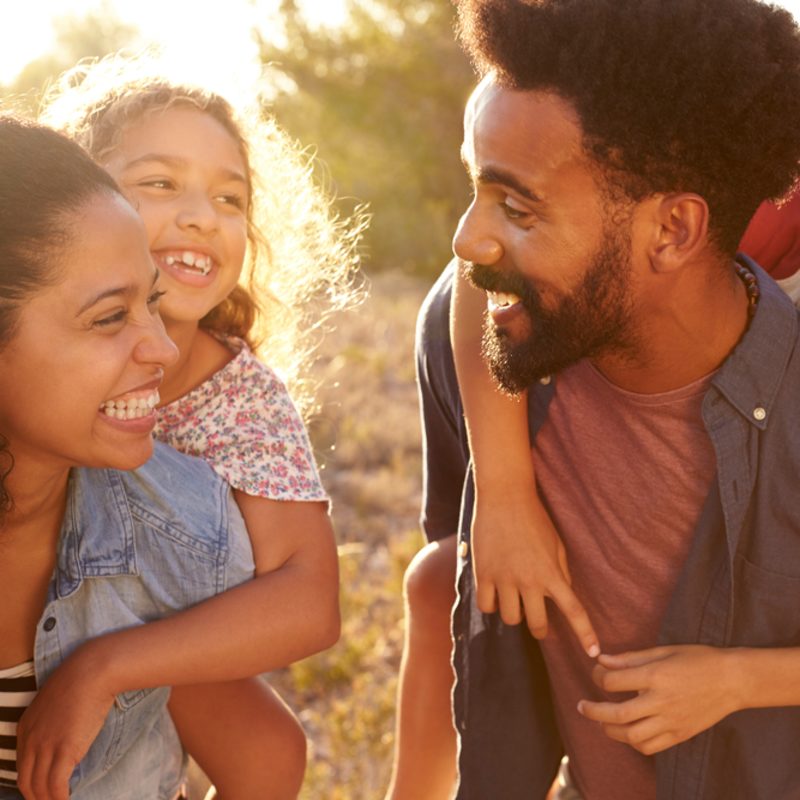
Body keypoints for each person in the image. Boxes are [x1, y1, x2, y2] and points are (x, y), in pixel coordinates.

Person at [409, 0, 800, 798]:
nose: (468, 239)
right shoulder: (523, 347)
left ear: (673, 231)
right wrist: (507, 497)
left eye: (516, 208)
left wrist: (739, 681)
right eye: (476, 192)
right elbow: (461, 292)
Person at [24, 54, 365, 800]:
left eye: (230, 198)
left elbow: (309, 600)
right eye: (159, 183)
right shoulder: (27, 355)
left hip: (145, 664)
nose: (201, 216)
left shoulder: (239, 398)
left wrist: (112, 665)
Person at [0, 115, 256, 800]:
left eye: (154, 302)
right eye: (110, 318)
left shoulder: (177, 527)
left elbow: (266, 758)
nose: (163, 349)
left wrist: (111, 666)